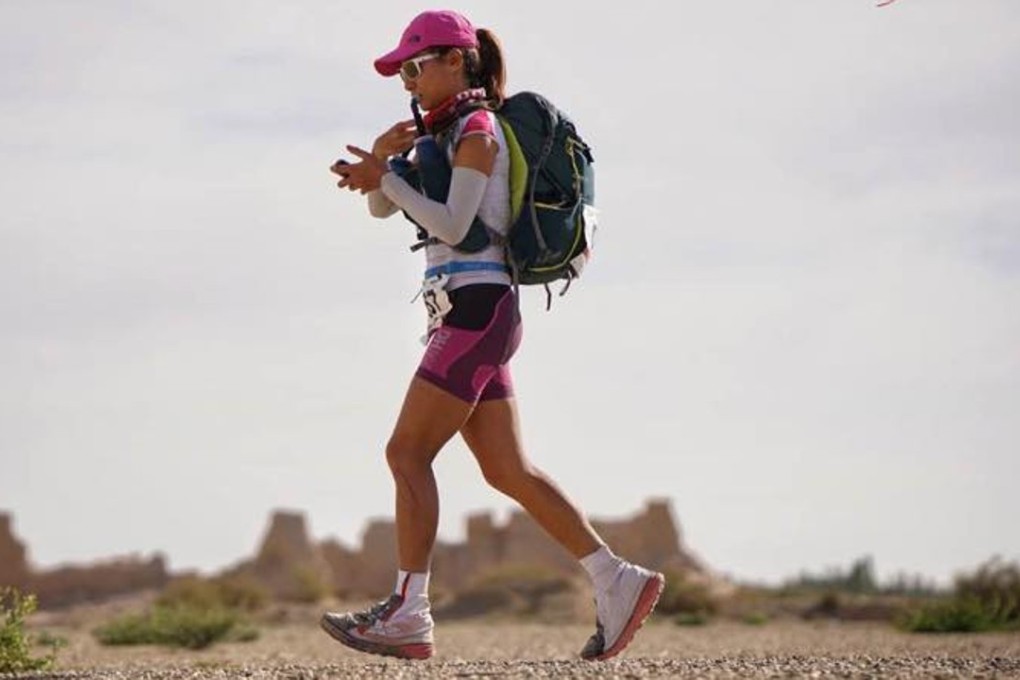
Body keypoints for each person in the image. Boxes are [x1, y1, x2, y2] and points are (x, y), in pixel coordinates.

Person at [321, 9, 664, 662]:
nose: (407, 83)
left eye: (414, 67)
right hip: (471, 314)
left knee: (406, 453)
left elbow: (453, 226)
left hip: (476, 310)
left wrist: (386, 176)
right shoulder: (442, 134)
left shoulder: (478, 130)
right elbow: (382, 208)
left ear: (456, 61)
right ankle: (617, 580)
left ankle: (408, 612)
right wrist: (384, 162)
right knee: (507, 469)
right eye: (401, 74)